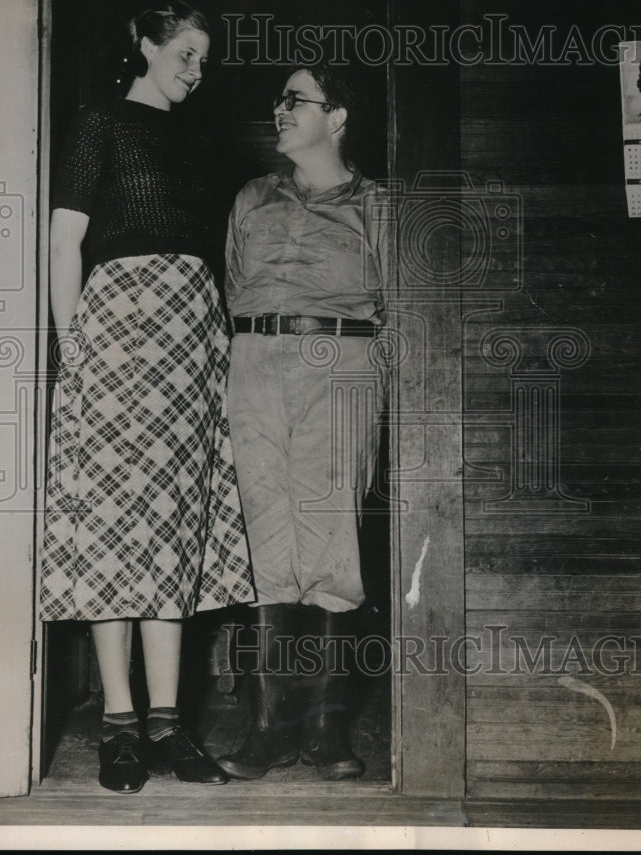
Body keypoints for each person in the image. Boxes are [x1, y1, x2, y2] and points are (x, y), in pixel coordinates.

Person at [39, 0, 255, 794]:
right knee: (113, 518)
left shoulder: (198, 139)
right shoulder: (100, 121)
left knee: (173, 518)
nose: (195, 72)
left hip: (193, 333)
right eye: (185, 53)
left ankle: (169, 723)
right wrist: (76, 351)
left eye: (205, 59)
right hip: (119, 326)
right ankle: (120, 723)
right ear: (145, 45)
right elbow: (66, 239)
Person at [218, 63, 389, 782]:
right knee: (263, 543)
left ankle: (322, 727)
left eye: (297, 99)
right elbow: (230, 287)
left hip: (340, 365)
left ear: (339, 117)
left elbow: (401, 305)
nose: (280, 109)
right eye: (280, 99)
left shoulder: (379, 206)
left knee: (330, 546)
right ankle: (264, 730)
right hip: (253, 364)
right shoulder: (252, 197)